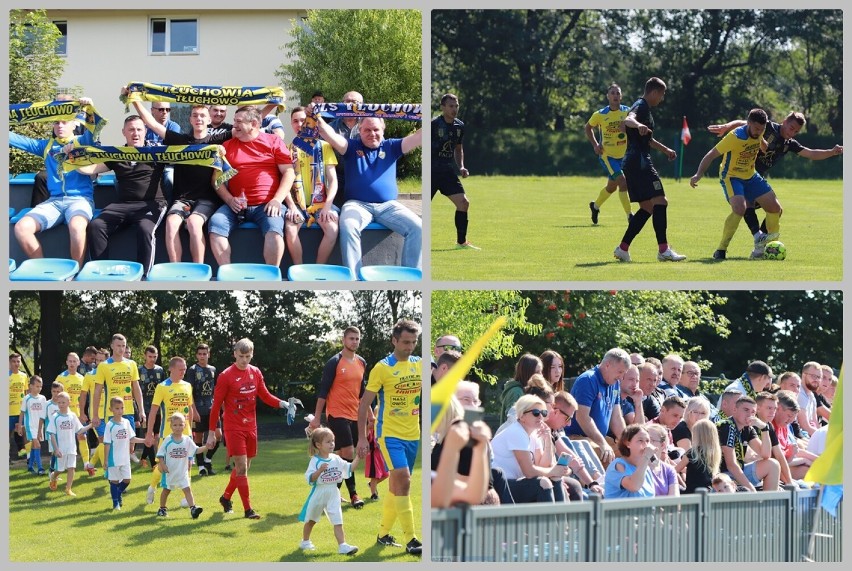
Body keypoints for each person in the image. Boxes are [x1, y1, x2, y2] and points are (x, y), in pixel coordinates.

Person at [708, 111, 843, 254]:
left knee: (776, 210)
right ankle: (734, 245)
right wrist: (726, 126)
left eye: (796, 131)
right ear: (784, 121)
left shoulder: (789, 144)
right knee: (747, 204)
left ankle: (763, 245)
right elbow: (743, 123)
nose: (792, 133)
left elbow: (811, 153)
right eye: (791, 128)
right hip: (741, 175)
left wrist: (831, 152)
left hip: (756, 179)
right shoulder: (768, 127)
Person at [316, 112, 423, 275]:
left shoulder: (392, 146)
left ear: (383, 129)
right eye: (367, 130)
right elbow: (327, 133)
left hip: (389, 206)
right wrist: (315, 115)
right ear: (360, 130)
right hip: (357, 205)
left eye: (375, 130)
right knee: (348, 225)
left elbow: (419, 137)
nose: (372, 134)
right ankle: (353, 278)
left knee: (418, 226)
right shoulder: (351, 147)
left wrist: (427, 118)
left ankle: (412, 276)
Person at [131, 100, 229, 263]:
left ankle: (199, 269)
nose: (199, 119)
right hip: (183, 200)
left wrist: (272, 102)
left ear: (209, 120)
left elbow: (250, 123)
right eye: (195, 115)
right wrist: (134, 100)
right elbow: (151, 123)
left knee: (193, 223)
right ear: (190, 119)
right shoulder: (180, 140)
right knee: (171, 223)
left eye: (203, 116)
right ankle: (175, 267)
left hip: (207, 199)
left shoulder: (217, 140)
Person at [355, 319, 422, 555]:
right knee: (404, 481)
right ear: (394, 340)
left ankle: (383, 534)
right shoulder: (382, 368)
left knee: (396, 487)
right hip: (389, 434)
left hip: (414, 435)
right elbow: (364, 405)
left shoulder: (420, 365)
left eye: (414, 342)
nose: (410, 347)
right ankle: (412, 539)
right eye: (405, 342)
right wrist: (363, 438)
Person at [206, 338, 292, 520]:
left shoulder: (255, 372)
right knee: (242, 468)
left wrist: (283, 404)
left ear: (252, 355)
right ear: (235, 354)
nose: (244, 360)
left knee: (243, 468)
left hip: (251, 426)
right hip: (233, 427)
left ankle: (225, 497)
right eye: (241, 356)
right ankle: (248, 510)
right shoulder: (226, 375)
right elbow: (216, 406)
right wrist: (212, 432)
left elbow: (265, 396)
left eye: (248, 356)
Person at [73, 115, 168, 274]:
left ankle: (144, 275)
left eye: (139, 129)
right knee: (96, 225)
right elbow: (89, 170)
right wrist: (71, 157)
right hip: (122, 205)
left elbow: (185, 155)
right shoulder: (116, 154)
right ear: (124, 132)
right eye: (131, 130)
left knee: (145, 229)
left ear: (145, 131)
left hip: (152, 204)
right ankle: (100, 272)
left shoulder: (157, 151)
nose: (135, 133)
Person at [9, 98, 97, 267]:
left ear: (74, 125)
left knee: (77, 227)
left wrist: (89, 108)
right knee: (21, 228)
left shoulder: (83, 142)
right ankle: (42, 268)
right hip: (54, 202)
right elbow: (13, 138)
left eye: (65, 122)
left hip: (81, 200)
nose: (60, 126)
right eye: (56, 123)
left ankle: (74, 271)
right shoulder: (46, 146)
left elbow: (94, 128)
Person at [209, 106, 297, 268]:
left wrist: (277, 200)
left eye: (239, 122)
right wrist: (229, 200)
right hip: (235, 207)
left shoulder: (274, 141)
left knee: (274, 230)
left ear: (254, 124)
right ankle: (227, 273)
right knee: (216, 224)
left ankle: (270, 277)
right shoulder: (227, 147)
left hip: (267, 205)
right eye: (234, 121)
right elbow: (217, 181)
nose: (234, 126)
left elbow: (289, 173)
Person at [690, 108, 783, 260]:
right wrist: (698, 174)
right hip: (732, 177)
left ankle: (770, 247)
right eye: (756, 128)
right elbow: (711, 154)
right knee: (740, 208)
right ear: (749, 124)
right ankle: (721, 249)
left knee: (775, 208)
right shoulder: (735, 137)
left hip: (751, 176)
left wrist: (763, 144)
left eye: (762, 129)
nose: (759, 132)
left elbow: (762, 145)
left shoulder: (758, 133)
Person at [613, 77, 684, 263]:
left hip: (633, 161)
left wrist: (666, 149)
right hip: (639, 161)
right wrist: (638, 124)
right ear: (654, 92)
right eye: (662, 95)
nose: (662, 99)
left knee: (647, 207)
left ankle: (622, 248)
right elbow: (628, 120)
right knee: (661, 201)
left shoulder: (646, 110)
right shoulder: (641, 105)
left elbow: (648, 139)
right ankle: (664, 250)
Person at [309, 326, 367, 508]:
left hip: (355, 414)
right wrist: (317, 418)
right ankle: (354, 494)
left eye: (357, 339)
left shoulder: (362, 362)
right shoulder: (334, 362)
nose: (354, 342)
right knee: (349, 451)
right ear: (343, 340)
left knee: (343, 455)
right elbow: (323, 391)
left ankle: (332, 492)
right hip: (336, 413)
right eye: (351, 338)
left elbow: (362, 392)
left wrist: (370, 415)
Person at [490, 394, 570, 503]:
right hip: (499, 486)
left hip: (514, 483)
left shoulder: (533, 434)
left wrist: (547, 440)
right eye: (536, 413)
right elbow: (529, 472)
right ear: (522, 416)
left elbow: (542, 466)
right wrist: (553, 470)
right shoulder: (516, 432)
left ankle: (561, 520)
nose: (540, 417)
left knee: (555, 478)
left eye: (543, 413)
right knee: (543, 483)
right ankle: (550, 520)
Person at [286, 106, 340, 265]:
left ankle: (318, 267)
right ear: (291, 124)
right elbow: (283, 182)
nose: (299, 124)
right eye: (295, 121)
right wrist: (291, 206)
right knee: (290, 229)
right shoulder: (287, 149)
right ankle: (299, 268)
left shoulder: (324, 146)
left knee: (332, 229)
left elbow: (333, 180)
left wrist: (327, 207)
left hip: (322, 202)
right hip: (297, 203)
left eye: (303, 120)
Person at [144, 355, 198, 504]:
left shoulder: (187, 385)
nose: (183, 371)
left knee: (188, 463)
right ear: (171, 369)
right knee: (163, 466)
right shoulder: (162, 387)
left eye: (185, 369)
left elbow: (190, 408)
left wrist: (190, 428)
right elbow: (154, 411)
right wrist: (149, 433)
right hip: (167, 434)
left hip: (185, 433)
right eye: (180, 369)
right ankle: (152, 487)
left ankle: (186, 498)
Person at [299, 427, 360, 555]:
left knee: (338, 519)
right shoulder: (315, 461)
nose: (332, 444)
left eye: (333, 441)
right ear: (318, 445)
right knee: (312, 519)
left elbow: (349, 469)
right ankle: (305, 541)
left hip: (333, 492)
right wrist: (319, 471)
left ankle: (343, 546)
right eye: (328, 441)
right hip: (319, 493)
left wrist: (359, 457)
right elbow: (310, 478)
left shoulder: (336, 458)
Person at [564, 348, 629, 466]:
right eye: (620, 372)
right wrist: (602, 443)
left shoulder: (615, 384)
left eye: (624, 373)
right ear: (608, 365)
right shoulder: (588, 380)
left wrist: (628, 442)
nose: (621, 377)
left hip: (598, 438)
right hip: (578, 438)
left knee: (632, 455)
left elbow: (617, 418)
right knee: (603, 454)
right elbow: (583, 417)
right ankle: (599, 484)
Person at [432, 93, 479, 249]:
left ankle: (461, 242)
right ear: (443, 107)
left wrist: (461, 166)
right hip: (431, 172)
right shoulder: (433, 125)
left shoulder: (459, 126)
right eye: (451, 106)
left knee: (463, 203)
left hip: (447, 172)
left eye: (456, 106)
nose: (454, 109)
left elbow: (458, 149)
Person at [585, 83, 632, 224]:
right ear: (608, 96)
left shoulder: (628, 112)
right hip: (607, 156)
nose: (615, 96)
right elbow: (588, 128)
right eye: (612, 93)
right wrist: (595, 145)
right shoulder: (600, 114)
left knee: (612, 187)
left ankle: (595, 206)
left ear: (621, 96)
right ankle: (630, 216)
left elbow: (635, 127)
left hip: (623, 156)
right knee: (623, 182)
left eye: (618, 93)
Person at [717, 396, 780, 492]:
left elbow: (765, 455)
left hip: (737, 472)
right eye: (746, 410)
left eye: (753, 412)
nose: (749, 415)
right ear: (734, 410)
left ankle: (768, 504)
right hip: (721, 476)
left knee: (773, 464)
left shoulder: (748, 429)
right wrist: (751, 488)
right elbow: (731, 465)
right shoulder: (726, 426)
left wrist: (764, 428)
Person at [156, 412, 208, 519]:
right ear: (171, 426)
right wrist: (163, 465)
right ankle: (162, 508)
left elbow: (196, 450)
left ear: (185, 425)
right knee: (166, 491)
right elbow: (160, 454)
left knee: (187, 489)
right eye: (175, 425)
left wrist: (207, 447)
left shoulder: (187, 440)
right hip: (170, 472)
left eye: (180, 425)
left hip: (182, 472)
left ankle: (193, 508)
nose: (178, 427)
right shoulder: (168, 440)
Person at [102, 396, 146, 510]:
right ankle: (115, 503)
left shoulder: (126, 422)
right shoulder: (109, 425)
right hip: (113, 459)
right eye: (117, 408)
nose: (120, 411)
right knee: (114, 481)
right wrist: (106, 460)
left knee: (127, 480)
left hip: (125, 458)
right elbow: (107, 443)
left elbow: (132, 438)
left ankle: (117, 494)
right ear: (111, 409)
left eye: (122, 408)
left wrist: (145, 440)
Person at [46, 391, 92, 497]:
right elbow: (52, 434)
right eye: (59, 403)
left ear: (69, 402)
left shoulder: (72, 416)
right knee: (60, 469)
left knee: (71, 467)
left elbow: (79, 430)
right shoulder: (55, 417)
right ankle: (53, 476)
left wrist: (90, 426)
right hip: (60, 449)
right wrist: (56, 449)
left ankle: (68, 488)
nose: (61, 405)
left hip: (71, 448)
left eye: (63, 402)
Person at [187, 344, 218, 476]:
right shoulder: (192, 370)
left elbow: (216, 390)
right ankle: (201, 467)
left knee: (218, 436)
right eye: (200, 354)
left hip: (212, 408)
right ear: (196, 355)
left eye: (204, 354)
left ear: (208, 354)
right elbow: (189, 392)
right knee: (198, 438)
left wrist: (220, 407)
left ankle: (207, 460)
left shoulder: (213, 369)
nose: (202, 356)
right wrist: (193, 410)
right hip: (198, 409)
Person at [603, 424, 656, 499]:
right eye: (640, 440)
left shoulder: (646, 468)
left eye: (647, 441)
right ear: (628, 443)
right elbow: (634, 486)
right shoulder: (618, 465)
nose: (645, 445)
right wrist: (646, 457)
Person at [142, 101, 181, 201]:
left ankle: (169, 204)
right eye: (161, 109)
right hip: (150, 164)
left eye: (167, 109)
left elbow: (172, 150)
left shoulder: (173, 127)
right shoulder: (144, 128)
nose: (165, 112)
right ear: (152, 111)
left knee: (169, 178)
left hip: (168, 164)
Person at [674, 419, 721, 494]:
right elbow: (697, 472)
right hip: (707, 492)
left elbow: (675, 470)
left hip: (692, 493)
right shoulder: (714, 453)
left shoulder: (692, 453)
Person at [137, 345, 165, 468]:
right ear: (145, 356)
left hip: (158, 408)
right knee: (149, 435)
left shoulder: (160, 371)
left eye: (155, 356)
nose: (152, 359)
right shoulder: (139, 370)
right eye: (150, 356)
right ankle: (154, 463)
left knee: (157, 436)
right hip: (144, 408)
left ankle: (143, 458)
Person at [499, 353, 543, 423]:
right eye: (537, 372)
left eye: (541, 371)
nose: (541, 375)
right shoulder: (516, 392)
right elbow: (512, 420)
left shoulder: (526, 390)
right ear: (528, 373)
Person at [19, 375, 46, 474]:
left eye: (40, 386)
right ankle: (40, 468)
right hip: (30, 426)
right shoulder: (27, 398)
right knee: (37, 445)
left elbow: (44, 414)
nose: (39, 388)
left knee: (35, 446)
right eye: (37, 386)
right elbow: (22, 412)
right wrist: (20, 427)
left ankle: (30, 466)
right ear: (31, 386)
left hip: (39, 426)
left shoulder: (43, 398)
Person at [645, 423, 680, 496]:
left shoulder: (669, 470)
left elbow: (675, 501)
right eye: (642, 440)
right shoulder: (636, 466)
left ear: (662, 445)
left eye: (650, 440)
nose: (645, 444)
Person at [9, 353, 29, 463]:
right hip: (9, 411)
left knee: (25, 432)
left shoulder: (24, 376)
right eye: (14, 361)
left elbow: (26, 393)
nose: (16, 364)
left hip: (21, 411)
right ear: (9, 362)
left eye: (18, 361)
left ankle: (29, 456)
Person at [798, 361, 822, 436]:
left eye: (819, 377)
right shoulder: (799, 394)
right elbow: (805, 427)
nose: (816, 380)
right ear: (804, 375)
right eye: (813, 376)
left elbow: (815, 423)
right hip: (800, 437)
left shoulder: (812, 396)